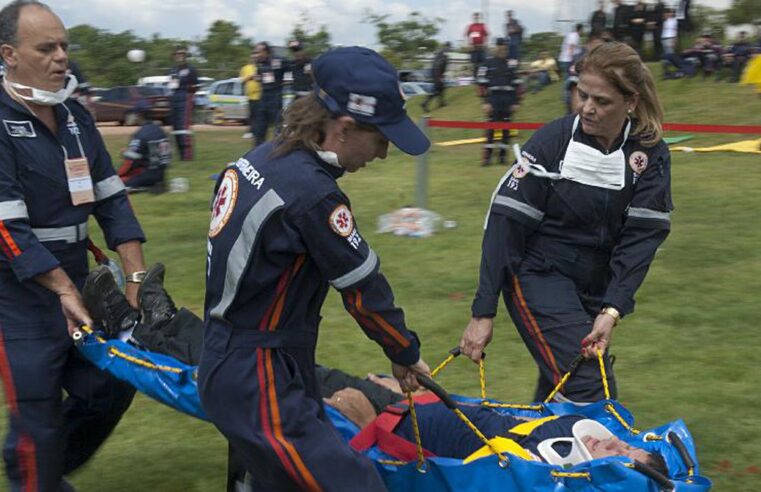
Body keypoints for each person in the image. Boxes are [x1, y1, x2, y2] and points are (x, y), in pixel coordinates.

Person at [198, 46, 432, 491]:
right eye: (381, 139)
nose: (382, 154)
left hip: (234, 357)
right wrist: (404, 353)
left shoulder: (262, 158)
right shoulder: (314, 195)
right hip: (258, 374)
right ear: (343, 128)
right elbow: (364, 290)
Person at [460, 41, 672, 405]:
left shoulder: (649, 153)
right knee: (590, 381)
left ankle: (545, 457)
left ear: (631, 102)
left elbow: (641, 240)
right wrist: (483, 311)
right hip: (539, 274)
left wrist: (612, 309)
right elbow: (503, 226)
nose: (587, 108)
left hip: (595, 287)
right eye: (582, 95)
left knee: (559, 388)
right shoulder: (551, 142)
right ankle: (598, 459)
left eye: (601, 101)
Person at [0, 1, 148, 490]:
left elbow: (114, 203)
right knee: (37, 411)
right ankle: (35, 474)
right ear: (9, 55)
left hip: (79, 279)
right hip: (19, 297)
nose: (61, 57)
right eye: (46, 48)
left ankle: (42, 469)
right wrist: (63, 290)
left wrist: (136, 282)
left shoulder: (76, 118)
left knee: (113, 383)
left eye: (64, 45)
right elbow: (7, 228)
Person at [478, 38, 520, 166]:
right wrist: (485, 102)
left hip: (507, 100)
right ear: (496, 48)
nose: (503, 50)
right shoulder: (487, 63)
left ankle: (502, 157)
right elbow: (481, 84)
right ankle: (487, 158)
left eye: (505, 48)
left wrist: (516, 102)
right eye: (501, 47)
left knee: (506, 130)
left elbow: (517, 84)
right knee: (490, 130)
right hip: (493, 100)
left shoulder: (511, 64)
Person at [117, 101, 171, 192]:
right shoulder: (161, 130)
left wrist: (124, 153)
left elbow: (131, 160)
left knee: (116, 185)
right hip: (162, 174)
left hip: (147, 174)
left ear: (140, 115)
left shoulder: (141, 134)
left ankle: (144, 186)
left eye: (134, 113)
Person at [168, 45, 198, 161]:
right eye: (177, 54)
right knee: (175, 127)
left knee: (183, 126)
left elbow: (196, 85)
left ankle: (187, 155)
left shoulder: (191, 69)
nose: (180, 56)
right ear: (174, 56)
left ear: (186, 56)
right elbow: (171, 84)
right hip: (174, 97)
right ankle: (180, 154)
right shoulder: (173, 70)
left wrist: (190, 92)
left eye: (182, 54)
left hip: (185, 98)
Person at [252, 41, 285, 147]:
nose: (256, 55)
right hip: (264, 96)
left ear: (266, 52)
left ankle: (279, 149)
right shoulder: (260, 64)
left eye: (258, 52)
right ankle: (257, 151)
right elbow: (258, 76)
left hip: (275, 95)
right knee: (259, 127)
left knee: (278, 125)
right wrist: (258, 77)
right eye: (255, 52)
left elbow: (290, 69)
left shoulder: (278, 61)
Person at [239, 49, 261, 140]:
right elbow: (242, 80)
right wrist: (250, 77)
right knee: (252, 114)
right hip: (251, 96)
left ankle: (256, 132)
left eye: (256, 57)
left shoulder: (261, 67)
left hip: (261, 95)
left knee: (258, 115)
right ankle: (250, 131)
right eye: (253, 57)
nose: (254, 59)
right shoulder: (245, 68)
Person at [422, 41, 450, 113]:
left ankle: (440, 103)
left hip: (435, 71)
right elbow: (441, 63)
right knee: (437, 89)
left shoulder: (439, 52)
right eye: (449, 47)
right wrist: (440, 74)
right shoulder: (444, 52)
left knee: (441, 87)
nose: (449, 49)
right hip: (437, 72)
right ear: (447, 46)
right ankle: (425, 103)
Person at [465, 12, 488, 78]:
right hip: (474, 47)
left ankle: (482, 77)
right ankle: (475, 78)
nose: (476, 18)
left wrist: (485, 44)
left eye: (478, 17)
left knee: (483, 63)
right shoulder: (471, 26)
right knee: (475, 64)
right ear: (473, 18)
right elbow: (467, 35)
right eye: (475, 17)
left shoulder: (483, 25)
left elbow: (486, 35)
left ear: (480, 18)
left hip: (481, 47)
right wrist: (469, 44)